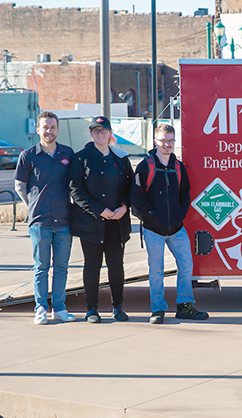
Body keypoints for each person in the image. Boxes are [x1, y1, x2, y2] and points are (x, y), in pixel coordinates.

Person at [131, 124, 209, 325]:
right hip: (153, 230)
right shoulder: (145, 166)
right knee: (156, 271)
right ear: (155, 142)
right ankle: (157, 309)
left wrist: (179, 217)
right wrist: (150, 216)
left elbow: (185, 195)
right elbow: (137, 197)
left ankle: (185, 305)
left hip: (176, 229)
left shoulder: (178, 167)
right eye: (163, 140)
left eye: (171, 141)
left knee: (186, 266)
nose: (167, 144)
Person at [68, 116, 134, 323]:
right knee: (92, 266)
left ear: (110, 133)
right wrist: (99, 210)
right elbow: (75, 190)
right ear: (91, 134)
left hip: (116, 223)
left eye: (103, 131)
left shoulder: (121, 159)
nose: (100, 134)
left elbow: (131, 187)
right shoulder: (80, 158)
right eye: (96, 131)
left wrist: (124, 206)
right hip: (91, 224)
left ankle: (118, 307)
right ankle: (91, 309)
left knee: (116, 266)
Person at [14, 111, 76, 325]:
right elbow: (20, 185)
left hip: (64, 221)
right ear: (38, 129)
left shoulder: (68, 154)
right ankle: (40, 308)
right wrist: (31, 205)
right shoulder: (29, 155)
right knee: (41, 267)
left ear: (57, 130)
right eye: (45, 127)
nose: (49, 131)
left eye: (52, 127)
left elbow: (75, 185)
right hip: (39, 222)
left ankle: (59, 308)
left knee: (61, 267)